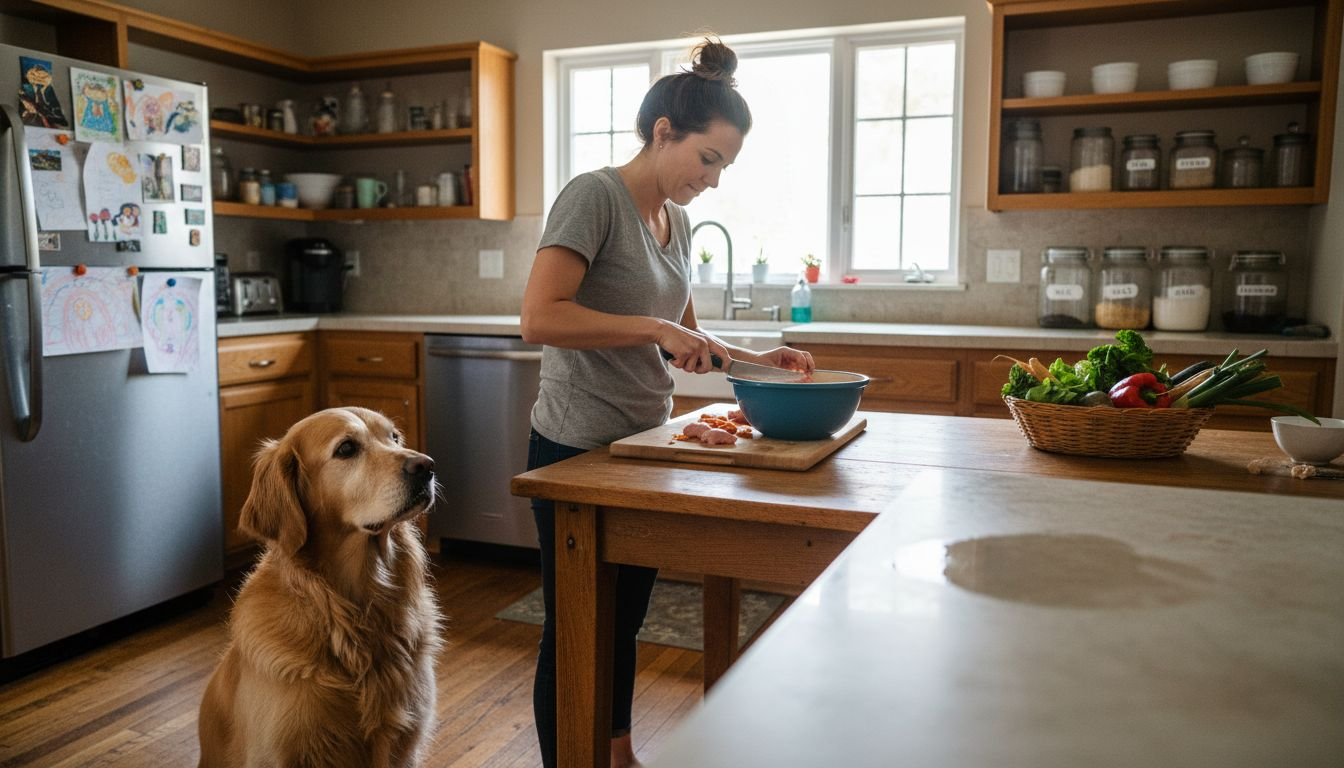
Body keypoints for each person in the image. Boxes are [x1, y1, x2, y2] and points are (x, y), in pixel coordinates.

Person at [520, 38, 814, 768]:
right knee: (577, 625)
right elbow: (539, 317)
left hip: (646, 446)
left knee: (622, 622)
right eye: (708, 160)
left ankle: (617, 753)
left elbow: (685, 336)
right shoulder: (594, 196)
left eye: (725, 167)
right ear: (663, 134)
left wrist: (758, 359)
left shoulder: (674, 223)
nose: (712, 181)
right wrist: (653, 328)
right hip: (575, 450)